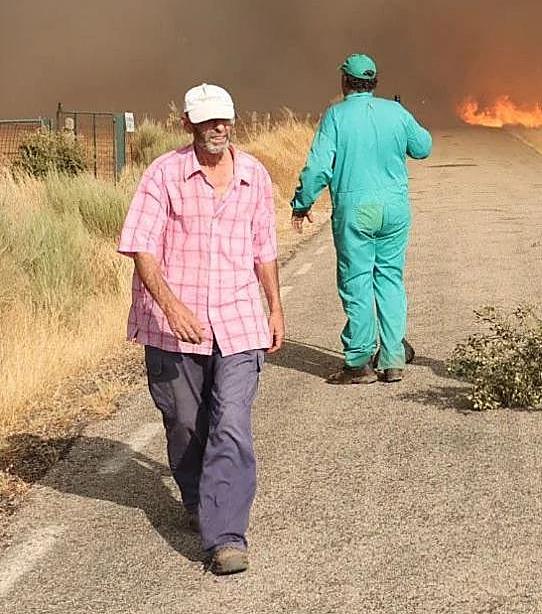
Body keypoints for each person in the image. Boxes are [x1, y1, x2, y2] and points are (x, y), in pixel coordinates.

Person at [117, 82, 284, 576]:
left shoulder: (254, 175)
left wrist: (275, 306)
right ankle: (198, 498)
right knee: (186, 424)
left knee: (230, 422)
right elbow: (141, 247)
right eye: (208, 120)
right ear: (187, 123)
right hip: (175, 329)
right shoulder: (163, 174)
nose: (218, 128)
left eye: (225, 119)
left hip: (238, 322)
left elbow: (265, 250)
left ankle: (226, 535)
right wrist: (169, 307)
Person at [290, 52, 433, 384]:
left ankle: (358, 361)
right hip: (395, 210)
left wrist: (302, 202)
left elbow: (318, 168)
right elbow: (423, 147)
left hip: (355, 211)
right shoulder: (395, 112)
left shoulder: (336, 117)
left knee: (356, 281)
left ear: (344, 81)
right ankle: (393, 357)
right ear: (374, 82)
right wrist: (402, 122)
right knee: (389, 279)